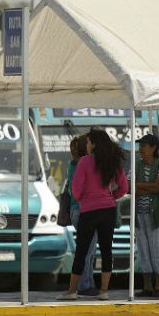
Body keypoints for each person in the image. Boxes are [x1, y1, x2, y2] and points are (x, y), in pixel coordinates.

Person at [57, 129, 128, 301]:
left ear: (94, 143)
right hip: (108, 209)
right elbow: (124, 187)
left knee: (82, 250)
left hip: (88, 210)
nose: (86, 145)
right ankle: (104, 291)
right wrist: (112, 197)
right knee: (106, 250)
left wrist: (83, 199)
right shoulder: (113, 161)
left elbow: (76, 188)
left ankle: (72, 290)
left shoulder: (84, 161)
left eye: (88, 142)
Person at [132, 134, 159, 298]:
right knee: (143, 250)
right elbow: (128, 187)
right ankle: (148, 286)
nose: (141, 149)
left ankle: (158, 286)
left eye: (144, 146)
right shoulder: (136, 166)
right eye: (140, 146)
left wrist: (139, 185)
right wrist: (151, 186)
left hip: (157, 217)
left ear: (153, 148)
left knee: (158, 249)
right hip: (140, 215)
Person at [67, 135, 98, 296]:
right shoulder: (83, 165)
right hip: (84, 210)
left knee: (89, 250)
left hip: (78, 210)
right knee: (88, 251)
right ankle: (85, 285)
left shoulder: (73, 165)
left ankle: (88, 283)